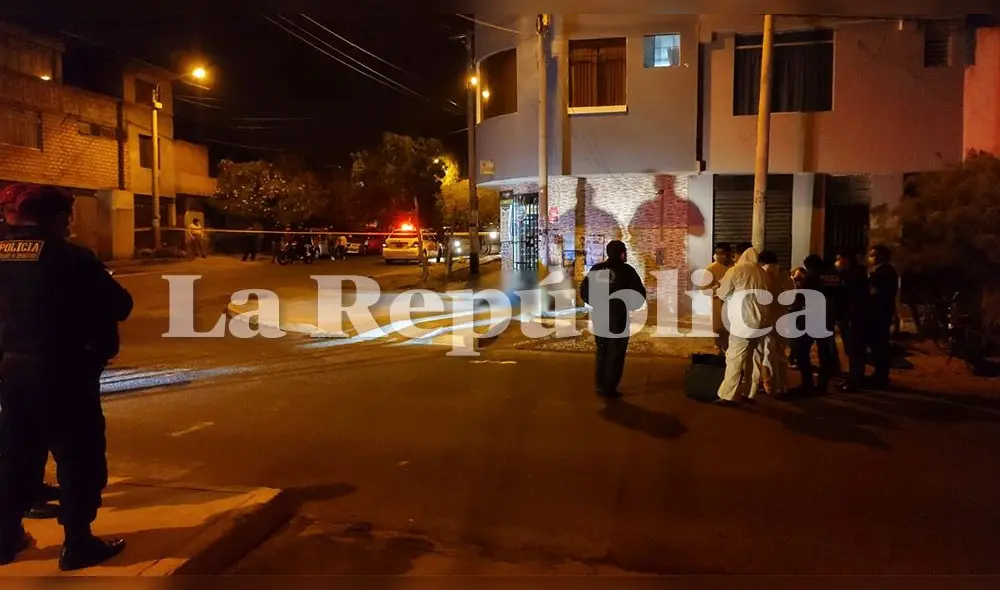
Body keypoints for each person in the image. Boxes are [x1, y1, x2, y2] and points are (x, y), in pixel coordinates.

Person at [0, 184, 133, 570]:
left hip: (14, 373)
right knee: (79, 458)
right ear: (58, 219)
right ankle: (78, 543)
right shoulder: (70, 257)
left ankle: (6, 539)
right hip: (65, 374)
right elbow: (121, 304)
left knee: (15, 458)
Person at [580, 240, 646, 400]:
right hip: (618, 317)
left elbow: (584, 291)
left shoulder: (596, 269)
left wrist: (597, 303)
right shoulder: (626, 270)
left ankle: (600, 384)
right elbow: (639, 293)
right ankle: (609, 387)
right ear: (622, 253)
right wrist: (628, 305)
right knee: (616, 352)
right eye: (625, 251)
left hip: (599, 316)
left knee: (602, 349)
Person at [715, 247, 770, 406]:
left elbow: (723, 293)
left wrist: (719, 291)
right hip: (761, 321)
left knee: (735, 358)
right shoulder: (763, 273)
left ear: (741, 255)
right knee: (753, 358)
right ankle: (750, 392)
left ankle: (728, 395)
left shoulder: (736, 270)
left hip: (743, 320)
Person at [792, 256, 837, 395]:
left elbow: (802, 296)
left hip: (811, 317)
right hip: (827, 318)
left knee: (801, 350)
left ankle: (808, 383)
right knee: (824, 352)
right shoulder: (833, 276)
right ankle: (822, 385)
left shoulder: (812, 277)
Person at [750, 250, 791, 398]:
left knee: (764, 352)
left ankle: (768, 384)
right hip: (783, 319)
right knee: (779, 353)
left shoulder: (762, 274)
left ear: (761, 262)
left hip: (767, 319)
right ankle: (782, 385)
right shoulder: (785, 274)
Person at [835, 249, 869, 392]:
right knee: (853, 351)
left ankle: (855, 381)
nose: (837, 262)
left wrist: (847, 317)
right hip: (852, 317)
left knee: (854, 350)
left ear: (846, 259)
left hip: (853, 318)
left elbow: (850, 298)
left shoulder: (853, 276)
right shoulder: (852, 274)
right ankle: (854, 378)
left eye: (839, 259)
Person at [867, 245, 899, 389]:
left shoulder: (885, 272)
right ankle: (879, 374)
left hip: (880, 312)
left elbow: (876, 291)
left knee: (879, 344)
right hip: (880, 311)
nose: (870, 258)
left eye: (873, 255)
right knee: (877, 344)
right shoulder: (881, 271)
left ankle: (881, 376)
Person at [705, 243, 733, 353]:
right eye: (717, 253)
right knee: (719, 328)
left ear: (728, 254)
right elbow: (704, 289)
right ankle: (719, 350)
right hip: (718, 304)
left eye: (722, 253)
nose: (719, 256)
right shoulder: (711, 268)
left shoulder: (734, 267)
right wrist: (718, 288)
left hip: (733, 303)